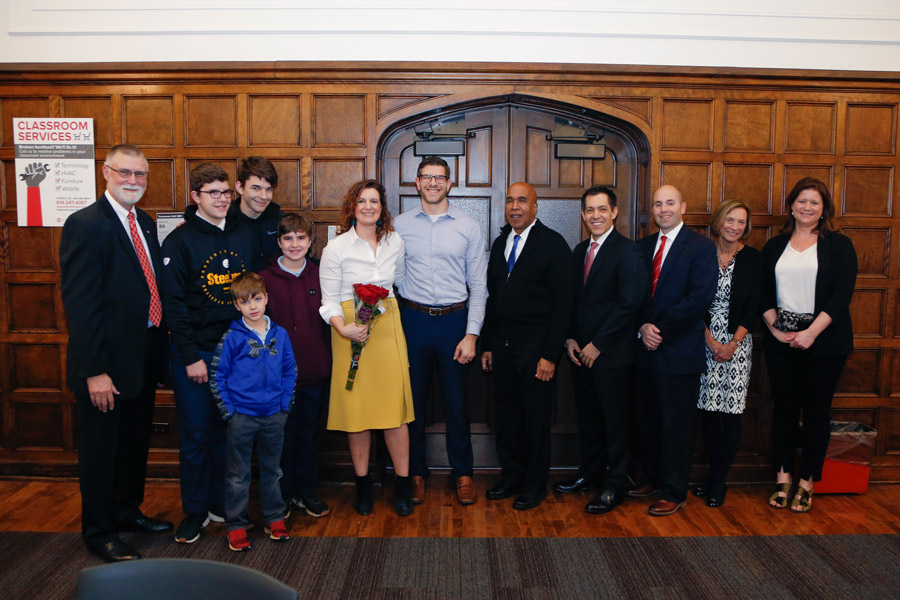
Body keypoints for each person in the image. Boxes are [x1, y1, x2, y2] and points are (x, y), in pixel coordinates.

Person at [59, 144, 173, 562]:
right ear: (106, 173)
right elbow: (81, 304)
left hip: (140, 356)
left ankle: (126, 512)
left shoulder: (142, 221)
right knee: (100, 451)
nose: (133, 181)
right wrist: (94, 371)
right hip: (105, 364)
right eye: (125, 173)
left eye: (140, 174)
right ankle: (100, 531)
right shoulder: (86, 224)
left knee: (132, 444)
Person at [162, 163, 253, 543]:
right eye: (211, 193)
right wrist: (190, 358)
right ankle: (196, 510)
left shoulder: (243, 235)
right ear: (196, 197)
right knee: (197, 435)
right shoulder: (179, 243)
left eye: (224, 192)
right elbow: (174, 305)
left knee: (230, 434)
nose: (220, 199)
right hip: (197, 354)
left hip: (237, 352)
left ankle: (222, 503)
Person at [394, 156, 487, 506]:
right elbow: (394, 276)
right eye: (426, 177)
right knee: (412, 403)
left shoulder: (468, 226)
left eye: (440, 177)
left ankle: (463, 472)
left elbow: (479, 284)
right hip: (413, 321)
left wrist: (472, 333)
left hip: (454, 322)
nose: (433, 183)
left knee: (457, 402)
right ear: (417, 183)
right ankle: (416, 472)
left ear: (450, 184)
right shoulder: (400, 225)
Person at [318, 180, 415, 516]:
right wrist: (345, 329)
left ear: (382, 207)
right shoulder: (337, 248)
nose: (369, 207)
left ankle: (403, 486)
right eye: (362, 201)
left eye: (375, 201)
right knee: (358, 414)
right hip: (349, 328)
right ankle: (363, 487)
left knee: (394, 413)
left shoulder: (395, 241)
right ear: (352, 207)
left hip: (386, 325)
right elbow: (328, 300)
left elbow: (398, 281)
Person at [761, 177, 857, 513]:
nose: (807, 207)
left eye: (814, 203)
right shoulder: (775, 246)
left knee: (816, 413)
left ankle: (807, 482)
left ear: (824, 209)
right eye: (802, 201)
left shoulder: (839, 246)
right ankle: (783, 478)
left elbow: (841, 295)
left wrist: (811, 333)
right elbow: (762, 292)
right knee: (784, 411)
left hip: (824, 341)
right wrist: (775, 330)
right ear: (791, 205)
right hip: (781, 341)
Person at [481, 182, 573, 511]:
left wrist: (550, 355)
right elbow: (493, 299)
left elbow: (564, 305)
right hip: (503, 347)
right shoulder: (500, 242)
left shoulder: (552, 244)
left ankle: (535, 486)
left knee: (535, 421)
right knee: (506, 418)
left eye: (522, 200)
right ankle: (512, 478)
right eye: (510, 200)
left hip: (537, 351)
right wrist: (489, 344)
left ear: (535, 207)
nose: (515, 206)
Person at [560, 186, 647, 514]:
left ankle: (613, 487)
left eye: (601, 210)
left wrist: (598, 345)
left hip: (612, 355)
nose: (595, 215)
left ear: (614, 213)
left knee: (615, 423)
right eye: (589, 210)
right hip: (580, 354)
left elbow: (628, 305)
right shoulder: (580, 250)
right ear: (583, 215)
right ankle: (590, 474)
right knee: (589, 420)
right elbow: (572, 301)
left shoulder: (629, 252)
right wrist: (570, 339)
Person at [631, 184, 717, 517]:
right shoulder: (641, 247)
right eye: (657, 204)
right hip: (644, 350)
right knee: (647, 420)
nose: (663, 209)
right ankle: (651, 478)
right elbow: (633, 295)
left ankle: (673, 489)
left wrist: (660, 331)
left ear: (683, 206)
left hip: (679, 352)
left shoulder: (701, 247)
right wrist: (642, 326)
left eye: (670, 203)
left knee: (677, 425)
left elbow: (699, 299)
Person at [210, 272, 297, 552]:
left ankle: (274, 517)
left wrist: (285, 406)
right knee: (238, 474)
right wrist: (229, 413)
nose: (253, 306)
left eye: (257, 299)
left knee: (273, 469)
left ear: (266, 299)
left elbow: (290, 370)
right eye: (245, 302)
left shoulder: (280, 334)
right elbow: (217, 376)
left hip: (274, 414)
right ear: (237, 306)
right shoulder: (232, 338)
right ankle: (236, 524)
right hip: (242, 417)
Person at [260, 214, 332, 518]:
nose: (294, 244)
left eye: (301, 238)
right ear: (279, 242)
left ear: (310, 242)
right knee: (280, 438)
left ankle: (307, 490)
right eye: (288, 238)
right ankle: (284, 494)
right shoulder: (263, 278)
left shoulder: (321, 275)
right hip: (277, 378)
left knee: (308, 435)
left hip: (315, 371)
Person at [693, 200, 761, 508]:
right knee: (708, 414)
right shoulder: (702, 254)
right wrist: (709, 340)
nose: (735, 226)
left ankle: (719, 482)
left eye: (741, 222)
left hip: (737, 345)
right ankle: (709, 477)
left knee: (730, 415)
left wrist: (732, 343)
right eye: (730, 220)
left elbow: (755, 306)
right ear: (719, 221)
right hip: (703, 342)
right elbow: (693, 299)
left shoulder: (753, 260)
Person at [230, 156, 283, 271]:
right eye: (256, 188)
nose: (263, 196)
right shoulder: (224, 222)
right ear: (240, 187)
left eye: (269, 189)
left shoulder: (282, 222)